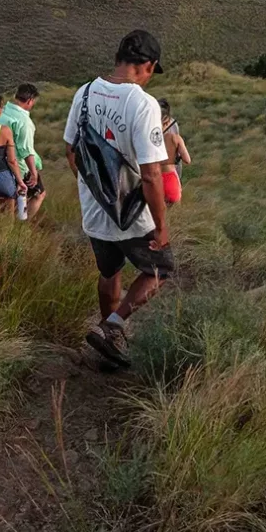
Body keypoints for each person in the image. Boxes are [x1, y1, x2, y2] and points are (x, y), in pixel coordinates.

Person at [64, 29, 173, 368]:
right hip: (133, 214)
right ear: (149, 66)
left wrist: (97, 190)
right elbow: (152, 173)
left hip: (96, 213)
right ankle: (112, 326)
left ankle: (109, 346)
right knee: (160, 269)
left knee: (110, 273)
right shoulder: (142, 103)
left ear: (118, 59)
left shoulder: (84, 93)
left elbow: (71, 150)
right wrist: (161, 226)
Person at [0, 83, 47, 218]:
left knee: (8, 201)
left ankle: (13, 220)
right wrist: (33, 172)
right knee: (39, 194)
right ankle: (22, 222)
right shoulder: (24, 121)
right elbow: (26, 150)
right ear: (30, 101)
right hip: (18, 166)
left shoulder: (3, 111)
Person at [158, 98, 191, 205]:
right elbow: (187, 160)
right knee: (176, 212)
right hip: (171, 176)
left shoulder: (148, 136)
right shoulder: (175, 137)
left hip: (155, 177)